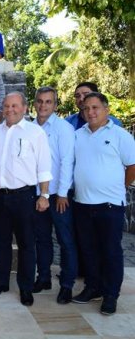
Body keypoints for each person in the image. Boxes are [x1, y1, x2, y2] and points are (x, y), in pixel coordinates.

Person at [0, 92, 52, 306]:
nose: (10, 109)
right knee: (0, 241)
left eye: (14, 106)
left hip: (24, 196)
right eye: (6, 106)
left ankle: (25, 287)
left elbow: (43, 167)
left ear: (24, 108)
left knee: (26, 244)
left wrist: (44, 195)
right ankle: (2, 281)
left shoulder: (35, 133)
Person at [71, 92, 135, 315]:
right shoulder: (78, 135)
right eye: (86, 108)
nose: (91, 112)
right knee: (88, 250)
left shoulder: (120, 135)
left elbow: (132, 166)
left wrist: (118, 186)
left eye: (95, 107)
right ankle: (93, 287)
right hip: (82, 203)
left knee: (111, 252)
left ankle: (110, 295)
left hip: (109, 205)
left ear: (106, 109)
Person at [32, 86, 77, 304]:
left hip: (59, 196)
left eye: (48, 102)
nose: (43, 105)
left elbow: (67, 162)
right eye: (40, 101)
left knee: (65, 240)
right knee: (41, 240)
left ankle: (67, 285)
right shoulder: (30, 127)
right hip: (37, 194)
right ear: (34, 103)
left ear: (55, 105)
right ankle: (43, 278)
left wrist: (61, 193)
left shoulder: (64, 128)